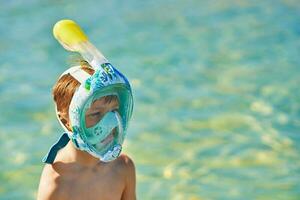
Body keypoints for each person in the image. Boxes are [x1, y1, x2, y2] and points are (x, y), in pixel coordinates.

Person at [37, 61, 136, 200]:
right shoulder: (56, 184)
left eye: (113, 110)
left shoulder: (123, 168)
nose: (111, 123)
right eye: (96, 114)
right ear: (67, 121)